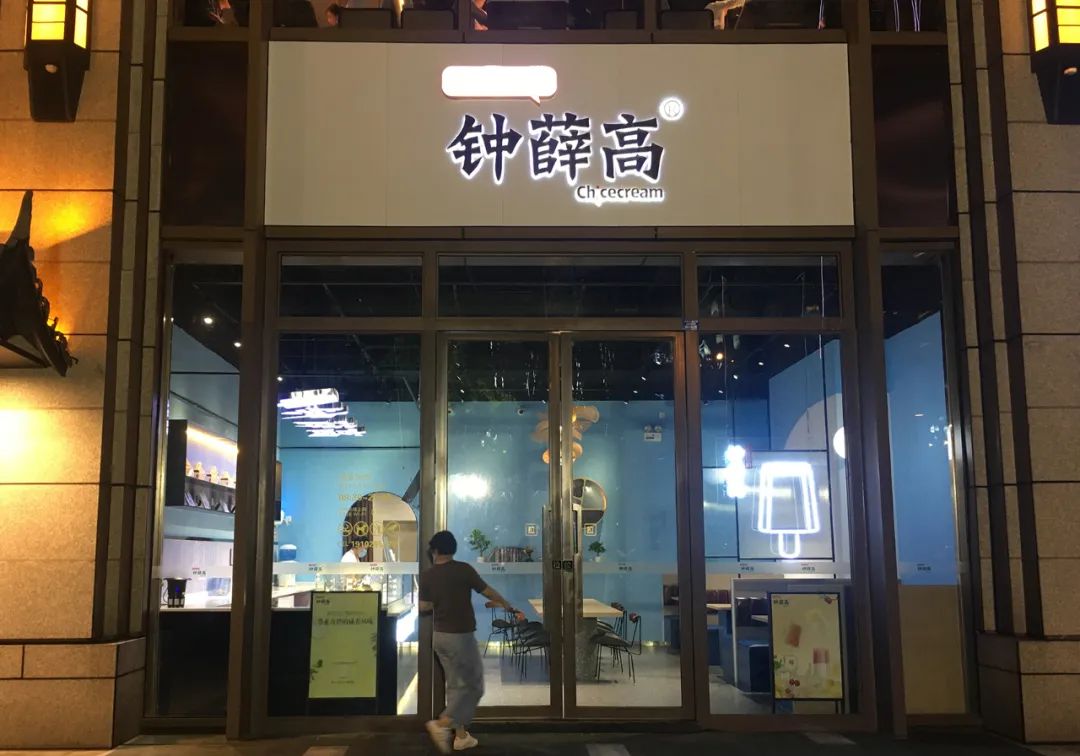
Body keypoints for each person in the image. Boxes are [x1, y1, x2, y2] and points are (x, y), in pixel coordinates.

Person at [420, 531, 512, 754]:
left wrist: (440, 600)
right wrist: (504, 603)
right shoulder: (463, 570)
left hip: (439, 636)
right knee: (474, 685)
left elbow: (423, 607)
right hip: (460, 637)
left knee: (456, 687)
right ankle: (442, 723)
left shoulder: (428, 575)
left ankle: (460, 737)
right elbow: (487, 591)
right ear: (453, 549)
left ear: (434, 550)